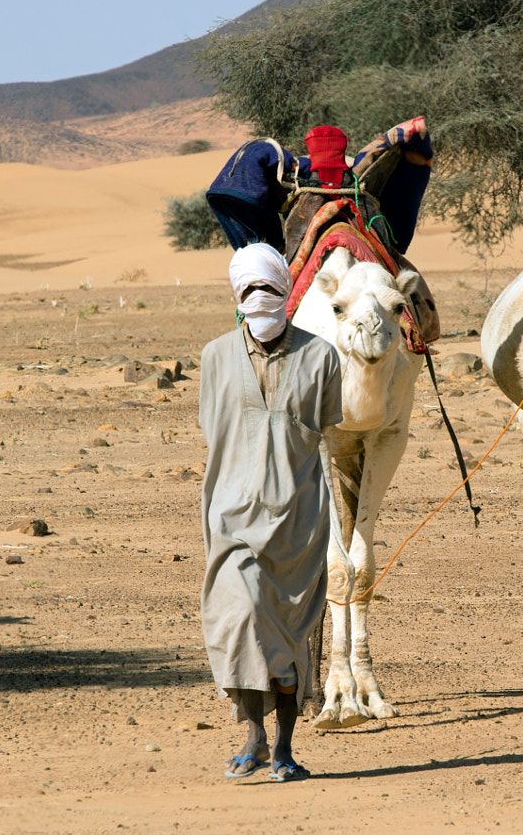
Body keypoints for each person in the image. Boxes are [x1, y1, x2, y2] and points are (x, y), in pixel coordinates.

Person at [198, 243, 343, 782]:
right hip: (231, 518)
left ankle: (282, 747)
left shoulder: (322, 357)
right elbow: (215, 431)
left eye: (268, 289)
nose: (259, 299)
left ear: (287, 290)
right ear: (236, 296)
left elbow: (325, 427)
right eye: (249, 291)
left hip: (299, 523)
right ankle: (253, 735)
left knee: (288, 636)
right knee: (238, 621)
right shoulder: (215, 357)